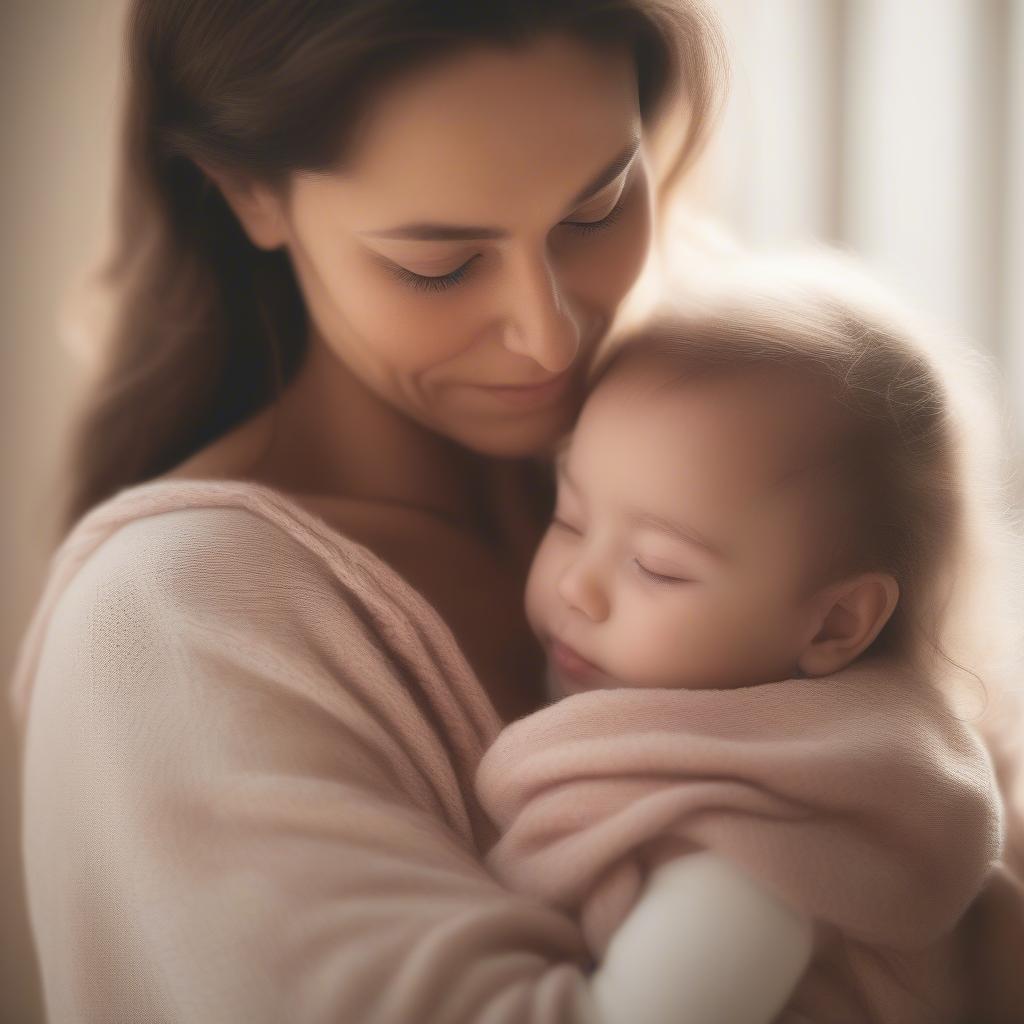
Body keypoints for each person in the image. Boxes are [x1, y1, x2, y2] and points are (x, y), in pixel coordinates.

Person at [6, 2, 740, 1022]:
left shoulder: (723, 453)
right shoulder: (174, 619)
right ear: (250, 193)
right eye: (436, 264)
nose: (547, 334)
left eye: (597, 208)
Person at [474, 254, 1016, 1022]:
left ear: (835, 623)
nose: (576, 586)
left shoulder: (760, 854)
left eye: (657, 567)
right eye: (568, 517)